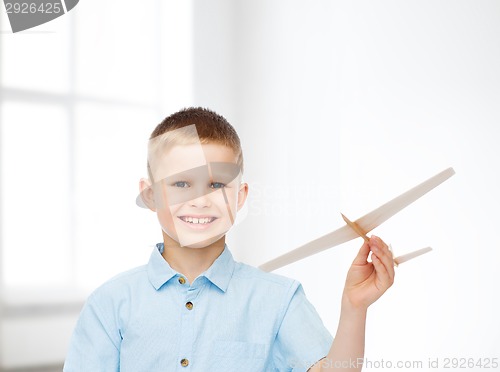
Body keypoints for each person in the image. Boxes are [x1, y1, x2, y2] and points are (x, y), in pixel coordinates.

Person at [63, 107, 395, 372]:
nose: (199, 200)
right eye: (180, 184)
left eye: (217, 185)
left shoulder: (279, 299)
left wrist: (354, 307)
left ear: (240, 196)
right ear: (150, 196)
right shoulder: (110, 303)